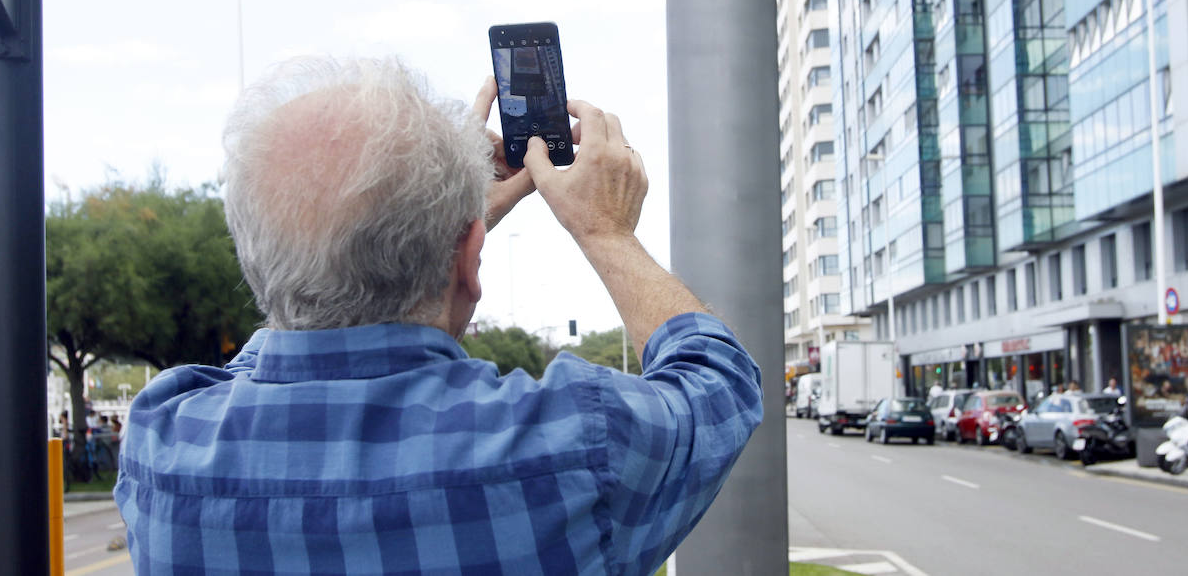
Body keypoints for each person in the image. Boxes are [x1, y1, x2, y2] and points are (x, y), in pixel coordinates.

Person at [116, 57, 763, 574]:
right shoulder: (570, 448)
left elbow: (275, 341)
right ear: (473, 260)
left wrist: (446, 242)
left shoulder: (163, 445)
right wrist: (604, 232)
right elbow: (719, 380)